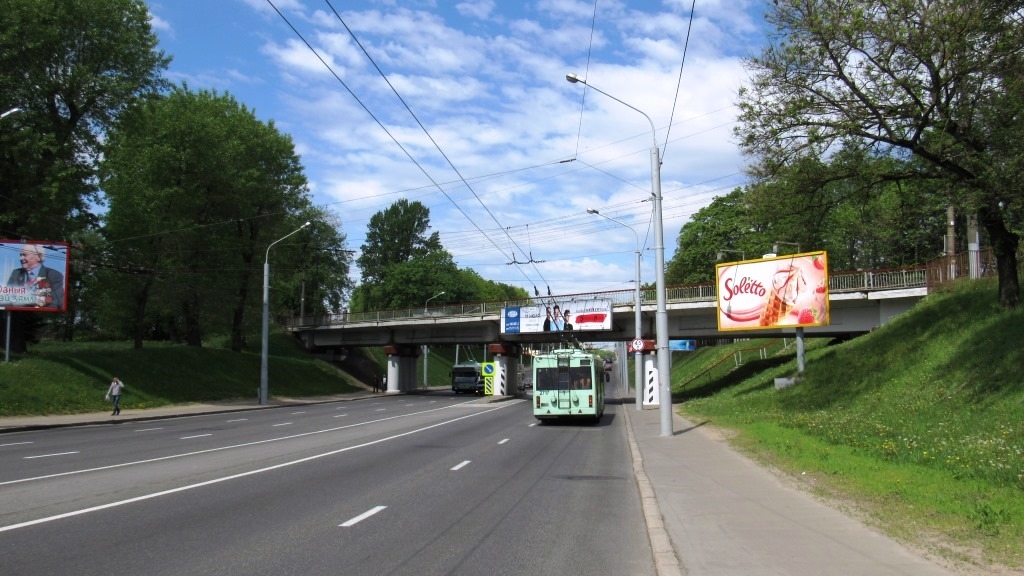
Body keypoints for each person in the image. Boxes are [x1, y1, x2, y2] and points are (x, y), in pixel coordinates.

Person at [5, 244, 64, 308]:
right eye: (20, 255)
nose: (21, 258)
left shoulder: (54, 275)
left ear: (39, 257)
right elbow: (7, 297)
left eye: (25, 255)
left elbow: (57, 302)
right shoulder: (16, 273)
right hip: (19, 314)